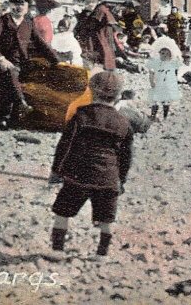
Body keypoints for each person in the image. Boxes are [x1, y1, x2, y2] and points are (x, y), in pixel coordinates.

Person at [50, 71, 134, 257]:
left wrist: (57, 171)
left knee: (63, 212)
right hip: (108, 178)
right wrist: (121, 180)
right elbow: (126, 157)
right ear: (118, 96)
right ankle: (101, 253)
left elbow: (65, 145)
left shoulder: (82, 115)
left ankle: (57, 250)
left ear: (91, 91)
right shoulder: (123, 123)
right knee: (106, 219)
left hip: (78, 175)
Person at [0, 0, 60, 126]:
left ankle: (6, 117)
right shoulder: (0, 21)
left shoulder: (28, 23)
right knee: (11, 73)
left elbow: (41, 43)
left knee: (17, 75)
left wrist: (56, 60)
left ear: (27, 8)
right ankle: (20, 103)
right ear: (9, 5)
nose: (18, 7)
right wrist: (1, 58)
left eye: (22, 4)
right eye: (14, 4)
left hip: (21, 62)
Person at [74, 0, 118, 70]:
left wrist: (84, 14)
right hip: (92, 47)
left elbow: (88, 27)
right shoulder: (92, 10)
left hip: (98, 48)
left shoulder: (101, 10)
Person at [147, 40, 183, 120]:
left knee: (165, 100)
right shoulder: (156, 62)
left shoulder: (171, 63)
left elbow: (176, 71)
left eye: (167, 54)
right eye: (162, 53)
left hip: (167, 84)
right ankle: (153, 115)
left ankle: (165, 116)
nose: (164, 56)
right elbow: (151, 72)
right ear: (159, 54)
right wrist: (152, 81)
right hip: (158, 83)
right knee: (155, 100)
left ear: (170, 55)